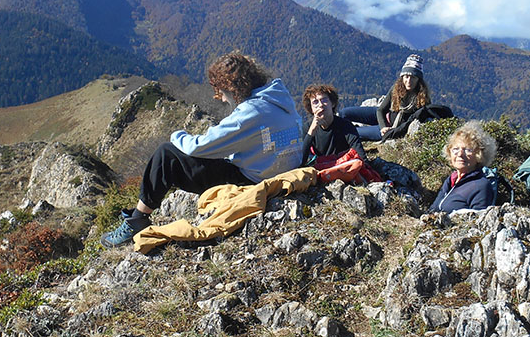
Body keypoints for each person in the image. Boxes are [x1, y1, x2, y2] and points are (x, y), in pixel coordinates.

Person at [101, 52, 302, 247]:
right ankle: (137, 219)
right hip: (283, 173)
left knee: (167, 154)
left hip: (254, 180)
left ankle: (137, 221)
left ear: (232, 88)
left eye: (222, 93)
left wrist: (177, 135)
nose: (222, 99)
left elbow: (199, 147)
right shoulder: (280, 99)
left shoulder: (251, 112)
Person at [342, 54, 436, 142]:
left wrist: (385, 130)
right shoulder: (397, 89)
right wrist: (383, 126)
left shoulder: (423, 99)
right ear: (402, 77)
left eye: (413, 78)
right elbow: (380, 110)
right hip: (383, 117)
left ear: (418, 80)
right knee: (344, 113)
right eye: (406, 77)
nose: (409, 81)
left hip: (391, 129)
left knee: (352, 132)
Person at [429, 120, 498, 213]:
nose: (460, 154)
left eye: (468, 150)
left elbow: (479, 221)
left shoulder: (480, 186)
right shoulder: (451, 180)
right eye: (456, 149)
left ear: (479, 155)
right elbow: (433, 210)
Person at [300, 83, 368, 166]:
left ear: (332, 104)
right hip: (322, 170)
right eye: (315, 102)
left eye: (324, 100)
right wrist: (311, 132)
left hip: (344, 167)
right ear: (311, 109)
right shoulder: (308, 128)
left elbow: (361, 156)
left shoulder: (345, 126)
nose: (320, 105)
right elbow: (301, 160)